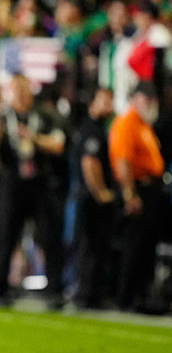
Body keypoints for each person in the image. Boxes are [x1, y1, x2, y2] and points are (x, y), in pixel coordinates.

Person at [0, 74, 66, 306]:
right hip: (11, 183)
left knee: (48, 236)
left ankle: (54, 290)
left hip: (38, 183)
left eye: (24, 90)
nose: (20, 95)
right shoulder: (2, 116)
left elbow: (58, 144)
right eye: (15, 90)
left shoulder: (44, 115)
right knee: (5, 236)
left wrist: (33, 138)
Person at [108, 81, 165, 311]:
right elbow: (123, 161)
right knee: (133, 246)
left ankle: (141, 297)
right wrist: (129, 194)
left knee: (146, 247)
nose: (150, 102)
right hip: (136, 188)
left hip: (151, 190)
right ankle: (125, 297)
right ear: (134, 98)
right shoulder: (126, 123)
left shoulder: (144, 125)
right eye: (146, 97)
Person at [73, 88, 117, 309]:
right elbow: (89, 162)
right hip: (90, 200)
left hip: (89, 197)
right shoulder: (92, 129)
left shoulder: (96, 128)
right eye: (105, 101)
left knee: (93, 247)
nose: (109, 106)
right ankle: (86, 293)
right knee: (91, 247)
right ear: (92, 103)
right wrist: (102, 193)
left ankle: (89, 293)